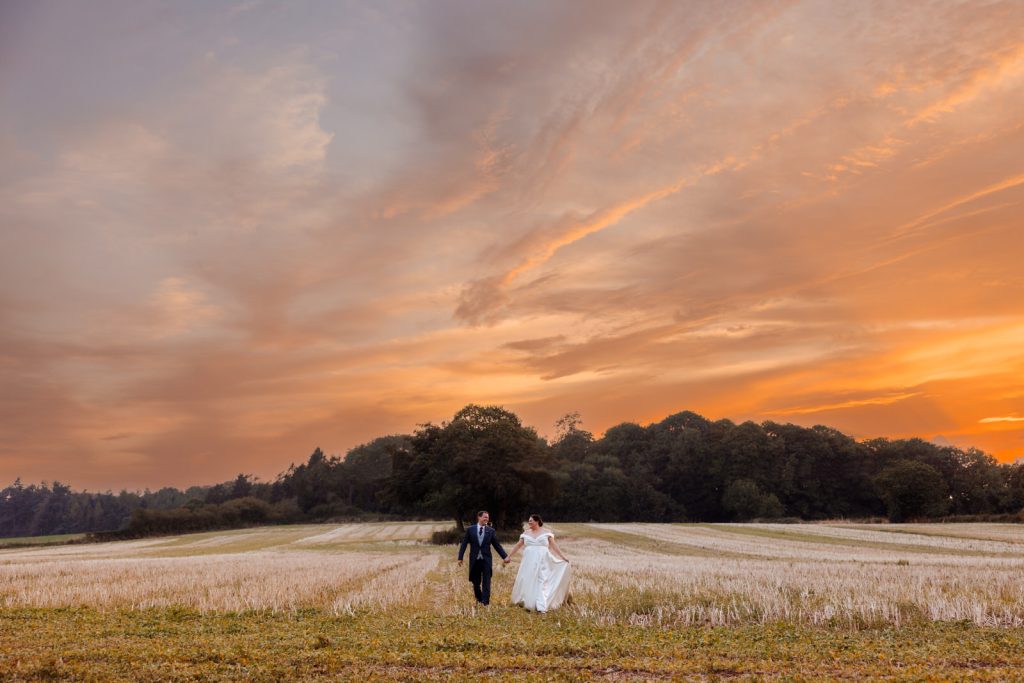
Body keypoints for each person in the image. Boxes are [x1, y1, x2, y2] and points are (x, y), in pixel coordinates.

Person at [505, 514, 571, 613]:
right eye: (529, 521)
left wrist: (563, 557)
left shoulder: (547, 533)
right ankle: (529, 601)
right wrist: (509, 556)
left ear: (537, 521)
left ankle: (541, 606)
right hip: (528, 561)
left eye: (531, 521)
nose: (529, 522)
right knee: (529, 579)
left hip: (543, 561)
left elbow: (554, 546)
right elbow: (518, 545)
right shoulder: (526, 533)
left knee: (541, 580)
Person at [457, 510, 508, 606]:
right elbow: (464, 544)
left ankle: (485, 603)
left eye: (487, 518)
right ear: (479, 517)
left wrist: (505, 556)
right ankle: (479, 598)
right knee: (475, 582)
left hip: (486, 560)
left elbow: (497, 545)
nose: (487, 519)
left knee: (487, 581)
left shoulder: (491, 531)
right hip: (474, 560)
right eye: (485, 517)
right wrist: (460, 557)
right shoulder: (470, 530)